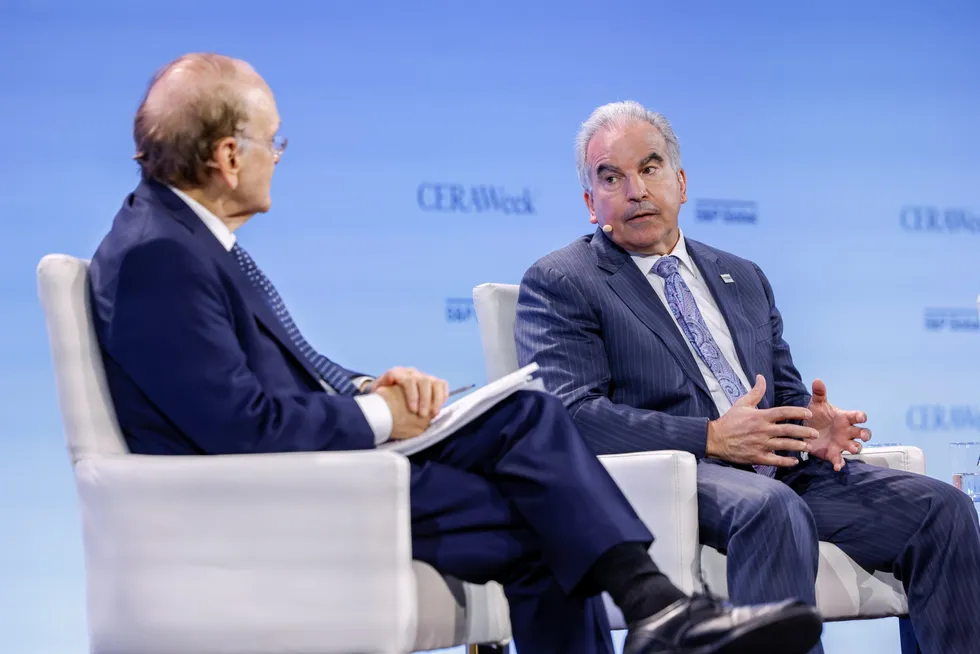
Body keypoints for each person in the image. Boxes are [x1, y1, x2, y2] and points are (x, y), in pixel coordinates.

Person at [87, 55, 821, 654]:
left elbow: (268, 385)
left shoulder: (182, 241)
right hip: (278, 502)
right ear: (225, 156)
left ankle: (658, 610)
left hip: (315, 473)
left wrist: (372, 386)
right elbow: (239, 427)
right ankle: (659, 608)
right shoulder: (159, 256)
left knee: (524, 421)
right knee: (547, 506)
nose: (277, 158)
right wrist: (380, 416)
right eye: (272, 141)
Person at [514, 99, 980, 654]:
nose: (635, 189)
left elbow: (781, 395)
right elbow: (568, 415)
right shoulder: (563, 280)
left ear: (681, 182)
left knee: (944, 511)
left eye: (650, 167)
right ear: (592, 204)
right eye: (611, 177)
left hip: (778, 470)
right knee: (771, 509)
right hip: (676, 477)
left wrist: (812, 428)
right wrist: (710, 437)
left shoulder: (742, 276)